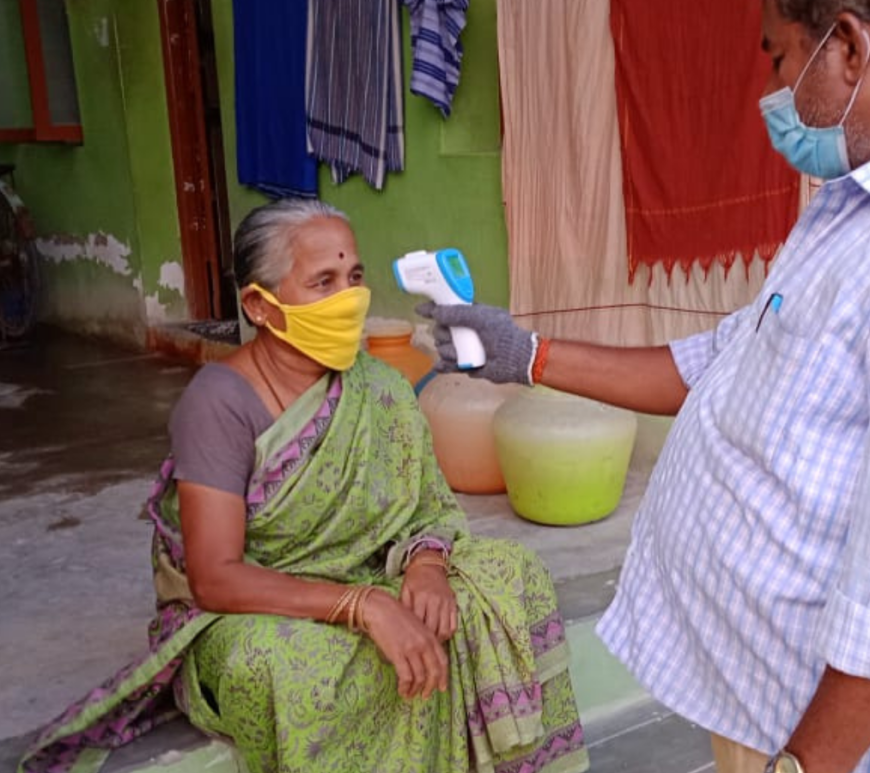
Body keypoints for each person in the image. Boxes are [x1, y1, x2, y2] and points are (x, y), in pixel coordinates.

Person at [419, 2, 870, 772]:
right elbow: (713, 360)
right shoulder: (837, 216)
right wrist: (525, 354)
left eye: (780, 57)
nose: (773, 90)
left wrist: (803, 764)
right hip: (757, 689)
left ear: (849, 48)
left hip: (814, 728)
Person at [18, 200, 588, 773]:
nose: (350, 297)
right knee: (294, 668)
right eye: (324, 282)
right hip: (258, 609)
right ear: (259, 306)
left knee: (511, 574)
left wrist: (427, 566)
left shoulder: (381, 386)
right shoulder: (218, 402)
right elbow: (215, 579)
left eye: (354, 276)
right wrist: (361, 605)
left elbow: (426, 510)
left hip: (374, 573)